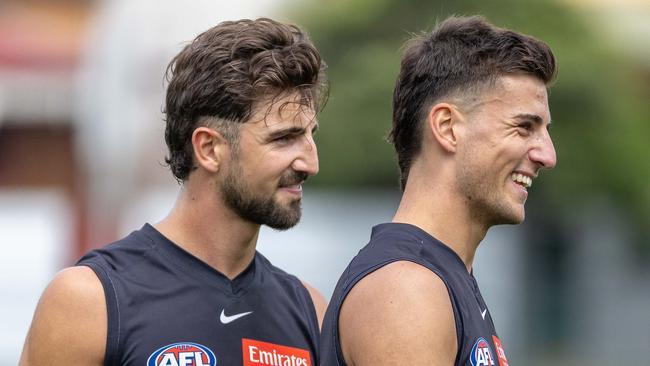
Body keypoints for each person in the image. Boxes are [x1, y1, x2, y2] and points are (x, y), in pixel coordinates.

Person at [20, 18, 328, 366]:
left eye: (310, 135)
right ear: (209, 149)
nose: (310, 163)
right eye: (284, 138)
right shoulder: (91, 300)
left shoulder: (310, 312)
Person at [320, 15, 557, 366]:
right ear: (447, 128)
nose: (547, 155)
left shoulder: (444, 277)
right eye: (524, 127)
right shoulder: (405, 289)